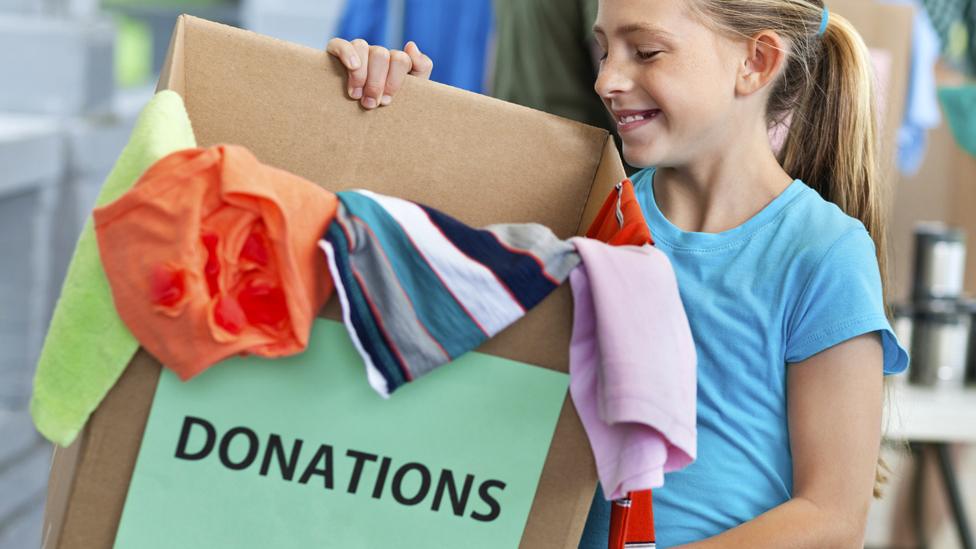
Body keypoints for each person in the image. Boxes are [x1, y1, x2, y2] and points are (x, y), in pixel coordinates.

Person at [325, 0, 910, 546]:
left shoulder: (822, 251)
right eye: (604, 50)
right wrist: (394, 114)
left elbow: (833, 517)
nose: (606, 79)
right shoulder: (589, 211)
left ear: (755, 63)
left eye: (646, 52)